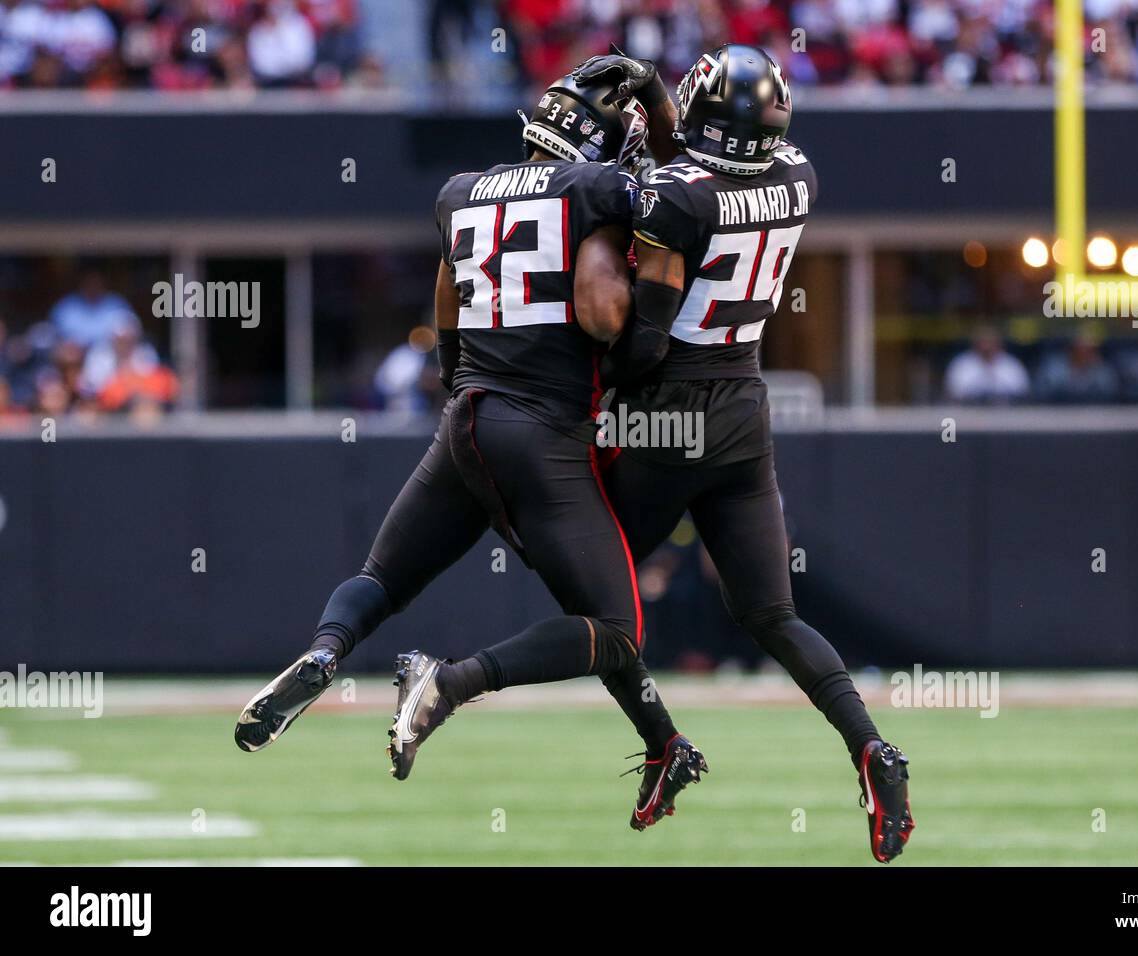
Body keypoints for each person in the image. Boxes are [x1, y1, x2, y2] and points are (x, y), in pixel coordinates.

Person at [233, 67, 708, 821]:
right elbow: (682, 187)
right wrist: (653, 104)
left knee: (382, 578)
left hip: (465, 419)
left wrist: (464, 390)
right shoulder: (598, 191)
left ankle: (327, 649)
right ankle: (449, 683)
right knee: (614, 628)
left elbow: (447, 312)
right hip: (541, 428)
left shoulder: (459, 193)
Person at [573, 45, 914, 862]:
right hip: (743, 408)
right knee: (771, 613)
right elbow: (696, 172)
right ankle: (870, 745)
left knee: (591, 595)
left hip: (670, 410)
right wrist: (656, 104)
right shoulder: (797, 173)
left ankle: (659, 746)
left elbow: (644, 338)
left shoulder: (679, 199)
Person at [944, 324, 1030, 404]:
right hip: (968, 413)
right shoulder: (961, 364)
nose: (986, 346)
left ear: (998, 343)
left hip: (1006, 414)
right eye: (983, 341)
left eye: (990, 341)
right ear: (975, 343)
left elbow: (1022, 393)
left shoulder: (1011, 365)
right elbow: (953, 393)